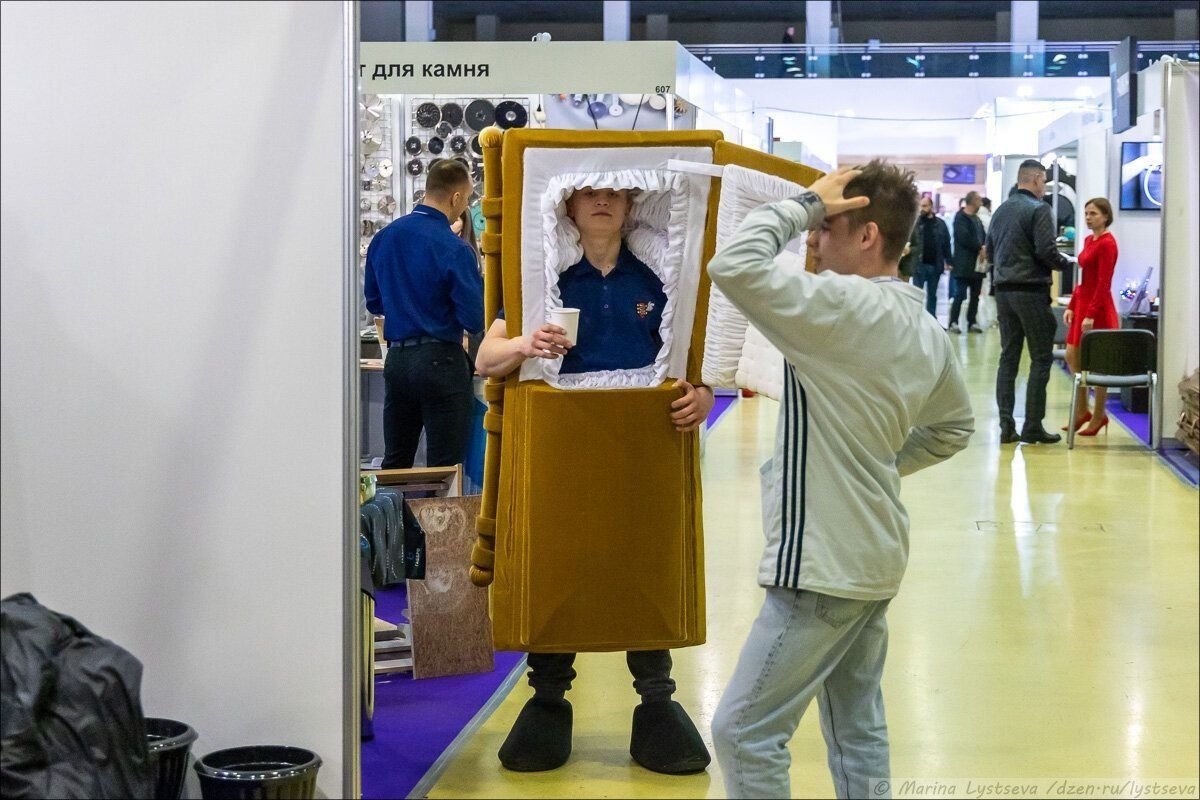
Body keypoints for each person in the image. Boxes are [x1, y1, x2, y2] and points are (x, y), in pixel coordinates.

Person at [707, 162, 974, 800]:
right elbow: (952, 429)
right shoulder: (923, 326)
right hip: (873, 557)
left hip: (821, 568)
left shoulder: (843, 305)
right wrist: (875, 462)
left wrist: (801, 201)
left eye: (826, 227)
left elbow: (735, 266)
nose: (812, 240)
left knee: (744, 731)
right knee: (857, 727)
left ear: (867, 237)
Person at [475, 185, 714, 775]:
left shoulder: (661, 279)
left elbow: (697, 366)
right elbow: (485, 359)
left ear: (632, 207)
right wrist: (526, 343)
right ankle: (547, 700)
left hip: (644, 452)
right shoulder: (541, 279)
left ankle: (657, 700)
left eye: (615, 193)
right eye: (590, 193)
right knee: (561, 566)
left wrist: (704, 395)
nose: (603, 201)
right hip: (563, 452)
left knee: (645, 565)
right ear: (569, 206)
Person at [364, 159, 483, 468]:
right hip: (441, 362)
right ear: (456, 197)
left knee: (396, 462)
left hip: (398, 362)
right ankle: (438, 519)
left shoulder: (383, 238)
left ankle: (392, 517)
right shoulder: (455, 249)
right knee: (445, 468)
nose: (465, 206)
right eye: (467, 198)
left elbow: (374, 303)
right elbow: (474, 318)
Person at [986, 159, 1072, 445]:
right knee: (1041, 358)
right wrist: (1066, 263)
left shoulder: (1000, 211)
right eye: (1044, 182)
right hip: (1031, 292)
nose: (1044, 188)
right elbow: (1045, 250)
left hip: (1004, 293)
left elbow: (990, 251)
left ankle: (1006, 426)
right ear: (1035, 179)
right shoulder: (1040, 209)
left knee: (1008, 358)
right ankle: (1033, 425)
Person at [1062, 197, 1119, 436]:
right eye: (1086, 213)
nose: (1088, 217)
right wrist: (1073, 305)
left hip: (1098, 308)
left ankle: (1098, 415)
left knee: (1098, 364)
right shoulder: (1088, 240)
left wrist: (1091, 313)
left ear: (1105, 216)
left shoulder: (1108, 244)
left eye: (1093, 213)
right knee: (1072, 356)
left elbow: (1103, 283)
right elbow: (1084, 279)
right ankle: (1083, 410)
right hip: (1083, 302)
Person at [948, 191, 987, 333]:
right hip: (963, 264)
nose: (981, 202)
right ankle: (953, 321)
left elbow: (984, 236)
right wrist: (979, 247)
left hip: (977, 265)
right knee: (960, 294)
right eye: (978, 199)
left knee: (975, 295)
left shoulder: (977, 220)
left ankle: (972, 321)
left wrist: (985, 247)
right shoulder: (960, 218)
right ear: (971, 201)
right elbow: (963, 238)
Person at [911, 195, 952, 319]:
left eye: (925, 206)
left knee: (933, 295)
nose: (922, 209)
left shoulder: (940, 224)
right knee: (916, 295)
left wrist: (949, 260)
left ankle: (931, 320)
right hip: (919, 265)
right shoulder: (915, 224)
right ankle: (916, 320)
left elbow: (946, 243)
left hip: (935, 265)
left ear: (931, 207)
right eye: (920, 206)